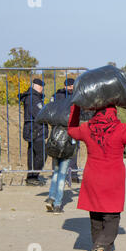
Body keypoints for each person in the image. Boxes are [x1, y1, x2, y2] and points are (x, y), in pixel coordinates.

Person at [67, 103, 126, 251]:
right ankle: (102, 246)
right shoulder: (121, 129)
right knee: (112, 218)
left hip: (92, 177)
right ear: (114, 112)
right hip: (113, 178)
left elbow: (71, 130)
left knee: (96, 217)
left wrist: (76, 108)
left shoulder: (87, 128)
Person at [44, 78, 78, 214]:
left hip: (56, 139)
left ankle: (51, 198)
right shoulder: (76, 100)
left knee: (56, 173)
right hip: (68, 141)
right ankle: (57, 204)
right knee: (62, 174)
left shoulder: (56, 98)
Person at [50, 78, 81, 183]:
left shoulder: (76, 95)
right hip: (60, 127)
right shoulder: (58, 96)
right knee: (59, 150)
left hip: (72, 126)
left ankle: (72, 174)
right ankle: (60, 173)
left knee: (73, 150)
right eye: (69, 86)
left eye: (72, 86)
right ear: (65, 86)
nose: (71, 88)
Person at [18, 78, 48, 186]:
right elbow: (40, 114)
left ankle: (31, 177)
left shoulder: (30, 96)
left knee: (32, 154)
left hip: (32, 129)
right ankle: (33, 176)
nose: (42, 89)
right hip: (36, 129)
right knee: (42, 153)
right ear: (36, 86)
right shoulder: (33, 98)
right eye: (41, 87)